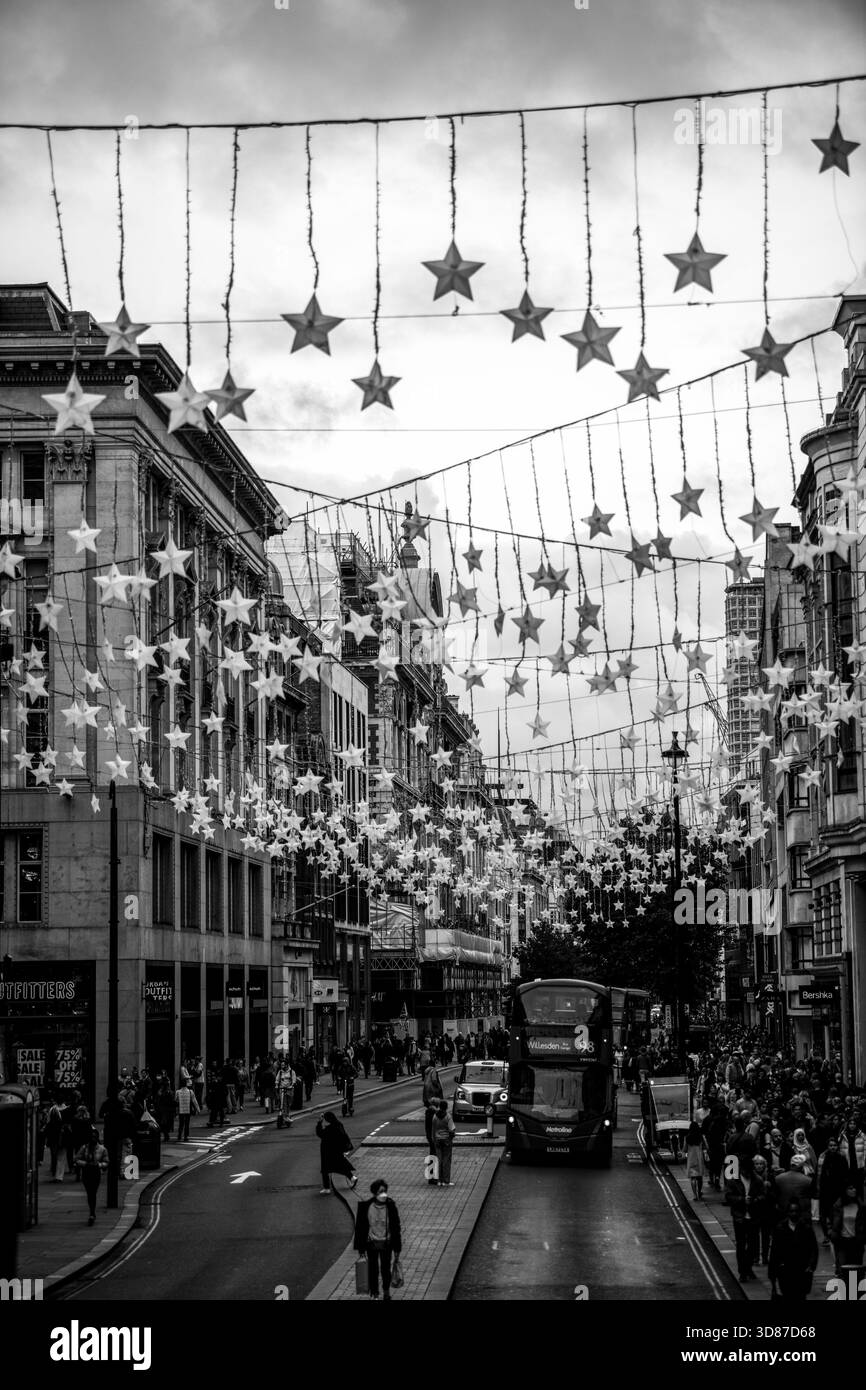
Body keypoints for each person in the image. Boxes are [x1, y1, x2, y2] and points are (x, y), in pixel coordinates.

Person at [354, 1179, 402, 1301]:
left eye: (385, 1191)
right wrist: (361, 1249)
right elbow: (360, 1228)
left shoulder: (391, 1206)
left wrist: (397, 1249)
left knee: (386, 1269)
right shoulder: (366, 1207)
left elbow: (396, 1228)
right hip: (372, 1243)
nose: (384, 1194)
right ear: (375, 1193)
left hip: (387, 1243)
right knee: (373, 1269)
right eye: (381, 1192)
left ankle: (386, 1291)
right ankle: (375, 1292)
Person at [768, 1200, 819, 1302]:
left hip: (802, 1270)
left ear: (799, 1212)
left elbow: (813, 1248)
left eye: (796, 1211)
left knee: (800, 1296)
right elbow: (774, 1251)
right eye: (791, 1211)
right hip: (785, 1271)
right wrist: (773, 1274)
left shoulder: (806, 1228)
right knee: (787, 1296)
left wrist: (811, 1266)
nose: (794, 1213)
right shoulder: (780, 1228)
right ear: (787, 1213)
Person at [315, 1111, 358, 1194]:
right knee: (341, 1165)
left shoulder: (330, 1129)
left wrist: (319, 1123)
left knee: (325, 1169)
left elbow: (320, 1133)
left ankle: (326, 1188)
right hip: (337, 1151)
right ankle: (352, 1178)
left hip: (327, 1151)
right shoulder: (339, 1125)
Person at [817, 1135, 849, 1244]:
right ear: (827, 1147)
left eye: (835, 1145)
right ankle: (826, 1235)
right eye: (830, 1145)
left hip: (837, 1190)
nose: (833, 1147)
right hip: (825, 1190)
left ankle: (836, 1234)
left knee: (835, 1214)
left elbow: (845, 1175)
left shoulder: (842, 1158)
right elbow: (819, 1175)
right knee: (823, 1215)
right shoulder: (822, 1157)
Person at [74, 1127, 109, 1226]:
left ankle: (92, 1213)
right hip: (86, 1173)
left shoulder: (102, 1149)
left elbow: (106, 1162)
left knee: (93, 1192)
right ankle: (92, 1212)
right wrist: (85, 1164)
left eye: (95, 1136)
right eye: (91, 1136)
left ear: (97, 1137)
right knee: (90, 1193)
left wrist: (99, 1165)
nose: (93, 1138)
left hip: (96, 1173)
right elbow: (76, 1159)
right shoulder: (84, 1148)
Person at [830, 1182, 866, 1275]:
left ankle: (852, 1289)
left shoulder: (860, 1205)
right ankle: (844, 1287)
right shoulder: (838, 1205)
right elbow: (834, 1223)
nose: (853, 1190)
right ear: (845, 1190)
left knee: (855, 1271)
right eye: (850, 1188)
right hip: (842, 1241)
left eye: (854, 1188)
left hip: (856, 1242)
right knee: (842, 1269)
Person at [422, 1065, 444, 1170]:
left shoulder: (426, 1084)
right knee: (434, 1148)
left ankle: (431, 1175)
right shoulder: (434, 1085)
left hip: (430, 1115)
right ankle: (432, 1175)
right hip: (434, 1116)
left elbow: (425, 1101)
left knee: (432, 1147)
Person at [432, 1099, 456, 1186]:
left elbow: (433, 1130)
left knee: (439, 1160)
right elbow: (452, 1129)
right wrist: (451, 1138)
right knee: (446, 1160)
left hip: (437, 1140)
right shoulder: (448, 1117)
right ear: (446, 1107)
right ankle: (446, 1181)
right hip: (446, 1140)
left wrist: (434, 1139)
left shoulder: (435, 1116)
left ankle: (439, 1181)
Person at [839, 1118, 866, 1197]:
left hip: (859, 1164)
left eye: (854, 1124)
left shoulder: (862, 1135)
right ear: (848, 1125)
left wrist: (864, 1162)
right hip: (847, 1164)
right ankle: (850, 1203)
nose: (852, 1125)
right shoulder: (843, 1135)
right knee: (849, 1185)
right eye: (850, 1123)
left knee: (859, 1185)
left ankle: (861, 1204)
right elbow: (840, 1149)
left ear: (856, 1125)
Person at [686, 1121, 705, 1200]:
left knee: (693, 1178)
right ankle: (699, 1192)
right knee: (699, 1177)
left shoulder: (687, 1137)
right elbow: (706, 1146)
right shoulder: (701, 1137)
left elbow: (684, 1149)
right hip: (699, 1158)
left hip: (691, 1158)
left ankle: (694, 1195)